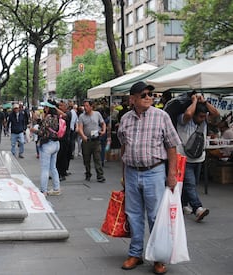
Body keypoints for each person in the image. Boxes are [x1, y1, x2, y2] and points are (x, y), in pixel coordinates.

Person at [117, 81, 181, 275]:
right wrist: (123, 175)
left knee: (156, 217)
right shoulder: (125, 119)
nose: (148, 98)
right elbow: (123, 147)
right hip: (131, 171)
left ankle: (158, 257)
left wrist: (172, 175)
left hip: (154, 171)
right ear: (132, 99)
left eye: (150, 95)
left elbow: (172, 147)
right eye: (143, 95)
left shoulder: (162, 117)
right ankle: (135, 253)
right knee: (134, 215)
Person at [176, 94, 219, 221]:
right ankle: (198, 208)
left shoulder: (204, 121)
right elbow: (188, 115)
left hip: (199, 157)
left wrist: (204, 103)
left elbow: (215, 114)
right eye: (200, 116)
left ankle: (183, 204)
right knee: (190, 184)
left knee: (189, 183)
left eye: (204, 116)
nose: (202, 119)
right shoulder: (182, 119)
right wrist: (194, 101)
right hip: (184, 157)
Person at [30, 102, 64, 196]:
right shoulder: (57, 117)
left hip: (47, 144)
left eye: (45, 107)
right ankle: (56, 188)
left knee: (45, 169)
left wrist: (33, 130)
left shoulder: (48, 117)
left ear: (48, 108)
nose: (44, 108)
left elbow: (42, 132)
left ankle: (43, 190)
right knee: (53, 167)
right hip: (56, 143)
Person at [76, 99, 106, 182]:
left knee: (97, 158)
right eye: (84, 106)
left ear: (91, 106)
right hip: (87, 140)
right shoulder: (82, 116)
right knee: (86, 159)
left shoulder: (97, 114)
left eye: (87, 106)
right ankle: (88, 173)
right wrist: (83, 136)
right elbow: (80, 128)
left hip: (96, 140)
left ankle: (100, 175)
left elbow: (103, 123)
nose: (85, 108)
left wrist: (103, 131)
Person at [56, 100, 71, 181]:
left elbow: (65, 116)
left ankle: (62, 173)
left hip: (65, 139)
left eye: (61, 106)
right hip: (59, 138)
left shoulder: (68, 113)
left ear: (66, 106)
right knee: (58, 156)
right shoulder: (58, 115)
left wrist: (55, 109)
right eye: (59, 106)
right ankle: (57, 172)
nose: (60, 107)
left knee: (62, 157)